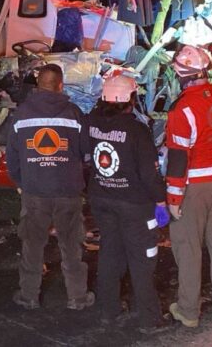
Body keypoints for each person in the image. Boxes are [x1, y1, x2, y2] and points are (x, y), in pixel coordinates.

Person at [81, 74, 168, 334]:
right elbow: (149, 174)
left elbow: (86, 155)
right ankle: (149, 319)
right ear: (129, 98)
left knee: (110, 253)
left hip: (102, 198)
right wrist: (161, 200)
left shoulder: (91, 123)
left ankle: (108, 312)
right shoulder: (137, 130)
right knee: (142, 259)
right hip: (134, 204)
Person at [6, 64, 94, 311]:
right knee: (71, 245)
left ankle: (28, 296)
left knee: (32, 245)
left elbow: (12, 158)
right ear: (60, 86)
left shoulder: (21, 114)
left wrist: (23, 183)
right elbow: (86, 153)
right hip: (68, 191)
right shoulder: (74, 113)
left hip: (35, 192)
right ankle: (77, 297)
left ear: (38, 85)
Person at [164, 43, 212, 328]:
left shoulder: (182, 110)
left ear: (181, 75)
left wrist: (174, 199)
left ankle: (188, 311)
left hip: (194, 188)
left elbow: (178, 159)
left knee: (188, 249)